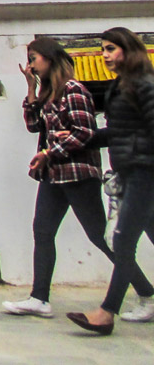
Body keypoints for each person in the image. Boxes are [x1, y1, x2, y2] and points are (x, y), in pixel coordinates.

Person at [4, 38, 142, 317]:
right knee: (42, 232)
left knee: (99, 236)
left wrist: (49, 153)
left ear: (50, 58)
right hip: (53, 175)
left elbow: (84, 133)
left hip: (78, 174)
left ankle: (146, 291)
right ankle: (39, 298)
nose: (30, 64)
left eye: (34, 58)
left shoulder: (73, 90)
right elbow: (33, 126)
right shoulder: (48, 94)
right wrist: (31, 89)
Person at [67, 27, 154, 334]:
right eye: (103, 49)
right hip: (131, 171)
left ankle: (106, 313)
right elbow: (119, 133)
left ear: (128, 51)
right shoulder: (123, 85)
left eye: (110, 49)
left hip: (144, 172)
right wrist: (82, 140)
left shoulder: (144, 85)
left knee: (122, 240)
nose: (104, 55)